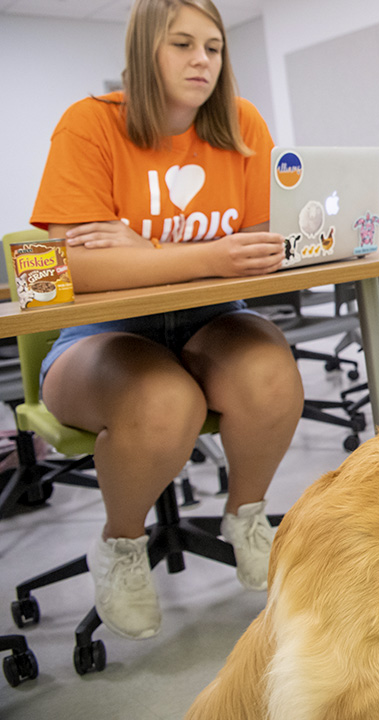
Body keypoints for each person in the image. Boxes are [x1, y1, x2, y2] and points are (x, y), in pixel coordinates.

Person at [28, 0, 304, 640]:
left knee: (270, 375)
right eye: (182, 45)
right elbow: (61, 269)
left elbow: (261, 241)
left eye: (213, 47)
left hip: (213, 318)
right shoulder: (90, 124)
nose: (202, 60)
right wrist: (203, 255)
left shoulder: (241, 125)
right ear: (144, 52)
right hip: (100, 335)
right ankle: (121, 545)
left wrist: (141, 251)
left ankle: (246, 517)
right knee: (162, 400)